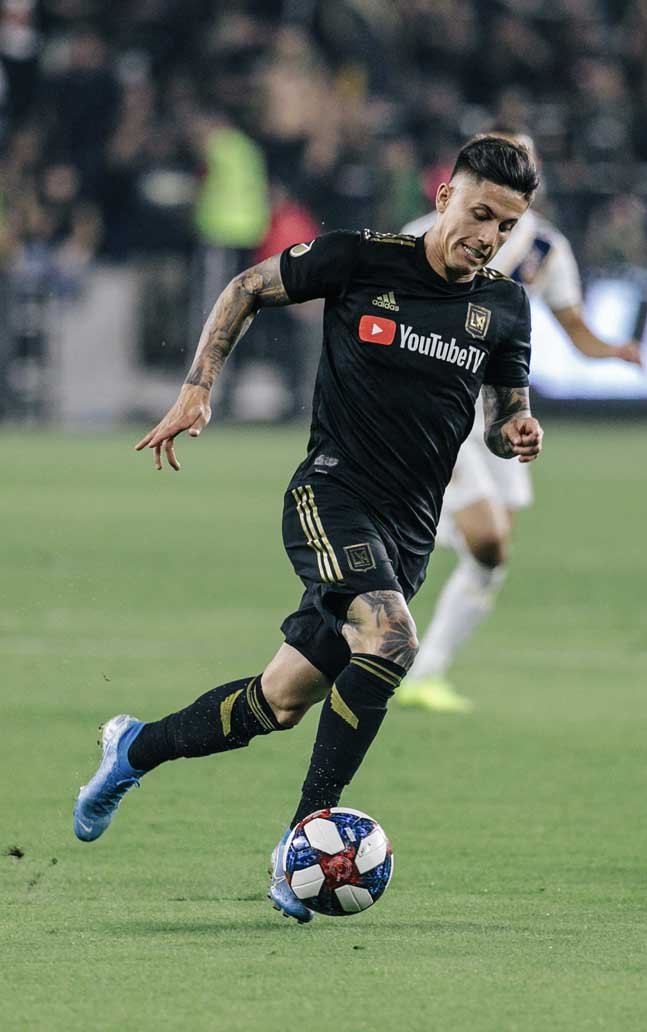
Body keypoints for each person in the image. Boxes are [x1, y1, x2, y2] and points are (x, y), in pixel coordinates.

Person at [72, 136, 543, 922]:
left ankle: (134, 748)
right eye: (480, 213)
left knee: (280, 701)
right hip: (331, 495)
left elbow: (502, 418)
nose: (489, 235)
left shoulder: (503, 306)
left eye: (506, 224)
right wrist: (198, 387)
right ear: (445, 199)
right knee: (390, 640)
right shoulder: (362, 257)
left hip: (407, 533)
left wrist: (517, 432)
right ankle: (301, 842)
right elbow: (247, 287)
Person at [397, 131, 641, 714]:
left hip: (501, 409)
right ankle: (374, 645)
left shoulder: (546, 248)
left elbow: (575, 329)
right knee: (484, 537)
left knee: (490, 555)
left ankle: (426, 672)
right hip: (438, 405)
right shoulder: (423, 234)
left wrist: (612, 350)